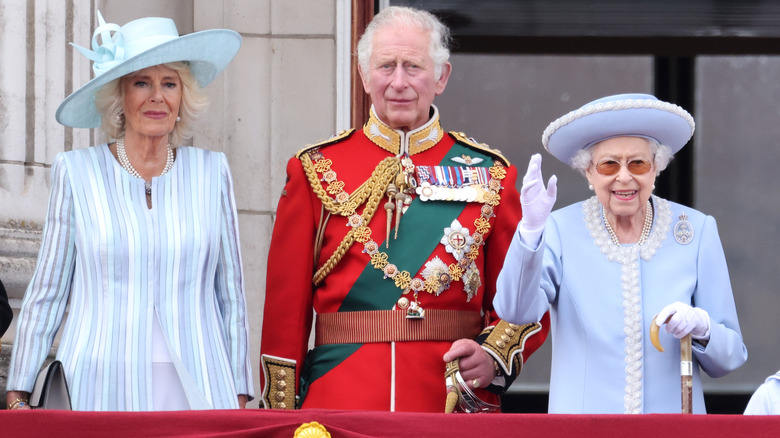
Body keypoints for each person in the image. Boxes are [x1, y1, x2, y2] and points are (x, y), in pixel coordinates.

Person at [259, 6, 548, 412]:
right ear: (363, 76)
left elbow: (526, 293)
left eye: (413, 66)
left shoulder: (490, 174)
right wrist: (282, 416)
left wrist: (493, 356)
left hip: (449, 399)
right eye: (386, 66)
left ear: (441, 77)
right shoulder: (314, 168)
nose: (398, 82)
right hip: (339, 399)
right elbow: (283, 315)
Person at [5, 13, 253, 411]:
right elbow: (48, 292)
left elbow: (231, 296)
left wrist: (240, 389)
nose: (157, 96)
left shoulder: (212, 172)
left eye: (169, 83)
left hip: (200, 384)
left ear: (183, 96)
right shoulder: (77, 172)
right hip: (97, 384)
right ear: (120, 95)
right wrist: (19, 390)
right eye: (142, 82)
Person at [494, 93, 748, 414]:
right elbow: (516, 311)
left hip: (671, 430)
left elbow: (730, 358)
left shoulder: (696, 231)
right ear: (588, 173)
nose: (624, 177)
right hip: (584, 430)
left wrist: (703, 328)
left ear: (656, 168)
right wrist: (530, 232)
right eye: (609, 164)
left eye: (638, 163)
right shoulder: (559, 229)